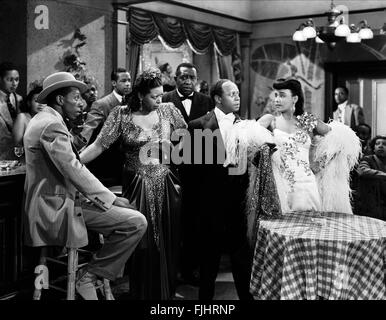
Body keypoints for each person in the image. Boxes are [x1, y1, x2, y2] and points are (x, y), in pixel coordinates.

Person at [23, 71, 147, 300]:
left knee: (130, 217)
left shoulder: (43, 120)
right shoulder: (51, 124)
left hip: (60, 201)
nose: (82, 103)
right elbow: (73, 168)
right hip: (56, 208)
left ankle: (93, 275)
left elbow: (70, 166)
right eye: (77, 98)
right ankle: (89, 276)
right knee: (136, 222)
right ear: (60, 100)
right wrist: (109, 198)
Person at [80, 67, 187, 300]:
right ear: (140, 95)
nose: (160, 100)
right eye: (154, 96)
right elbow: (99, 146)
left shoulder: (169, 110)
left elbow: (186, 137)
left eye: (161, 95)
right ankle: (142, 294)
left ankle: (165, 295)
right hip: (137, 183)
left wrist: (174, 151)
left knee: (168, 241)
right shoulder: (121, 114)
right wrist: (74, 163)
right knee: (142, 241)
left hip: (167, 184)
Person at [227, 77, 361, 216]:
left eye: (282, 95)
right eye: (276, 95)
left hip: (307, 184)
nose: (277, 100)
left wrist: (319, 164)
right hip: (282, 184)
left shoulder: (308, 120)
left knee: (310, 225)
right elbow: (246, 139)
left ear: (295, 98)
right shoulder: (270, 120)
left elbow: (340, 139)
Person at [188, 79, 253, 300]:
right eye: (231, 94)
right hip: (209, 207)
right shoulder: (197, 125)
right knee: (208, 266)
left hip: (238, 207)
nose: (237, 97)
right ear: (218, 98)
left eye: (238, 93)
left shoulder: (246, 127)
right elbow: (191, 174)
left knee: (242, 264)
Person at [162, 62, 213, 286]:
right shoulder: (164, 100)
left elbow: (211, 136)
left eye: (191, 78)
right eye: (183, 77)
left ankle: (191, 268)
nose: (187, 81)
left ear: (196, 80)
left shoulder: (206, 101)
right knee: (172, 222)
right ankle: (169, 271)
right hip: (170, 168)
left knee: (194, 222)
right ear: (175, 78)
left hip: (198, 170)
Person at [74, 68, 131, 186]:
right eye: (123, 81)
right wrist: (74, 156)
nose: (127, 84)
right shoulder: (102, 104)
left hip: (127, 166)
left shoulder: (131, 102)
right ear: (114, 83)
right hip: (107, 165)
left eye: (129, 80)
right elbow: (87, 130)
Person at [357, 135, 386, 220]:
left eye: (384, 144)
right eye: (377, 144)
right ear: (373, 148)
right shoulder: (368, 159)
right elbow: (362, 170)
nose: (381, 146)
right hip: (371, 202)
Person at [0, 62, 23, 160]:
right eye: (10, 80)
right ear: (0, 79)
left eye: (17, 80)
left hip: (18, 155)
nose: (14, 84)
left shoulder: (19, 99)